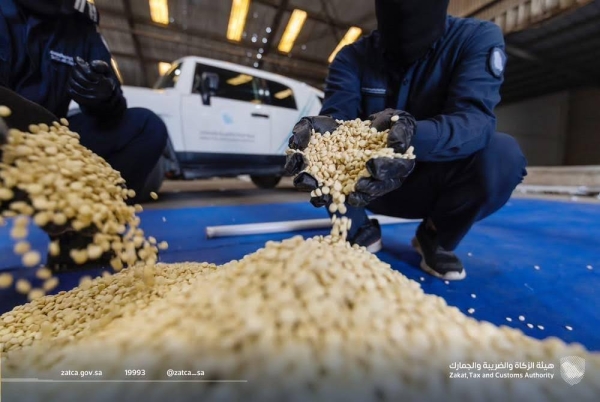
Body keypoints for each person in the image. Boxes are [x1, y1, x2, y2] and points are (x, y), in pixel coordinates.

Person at [286, 0, 528, 281]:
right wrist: (320, 141)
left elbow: (474, 122)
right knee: (320, 148)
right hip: (366, 187)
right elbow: (337, 125)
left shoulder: (475, 38)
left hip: (435, 182)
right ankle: (357, 228)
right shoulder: (352, 58)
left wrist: (410, 138)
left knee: (503, 156)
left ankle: (435, 235)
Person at [0, 0, 168, 269]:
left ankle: (82, 242)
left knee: (145, 127)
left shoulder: (80, 24)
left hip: (54, 146)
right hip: (9, 145)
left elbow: (114, 103)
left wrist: (105, 95)